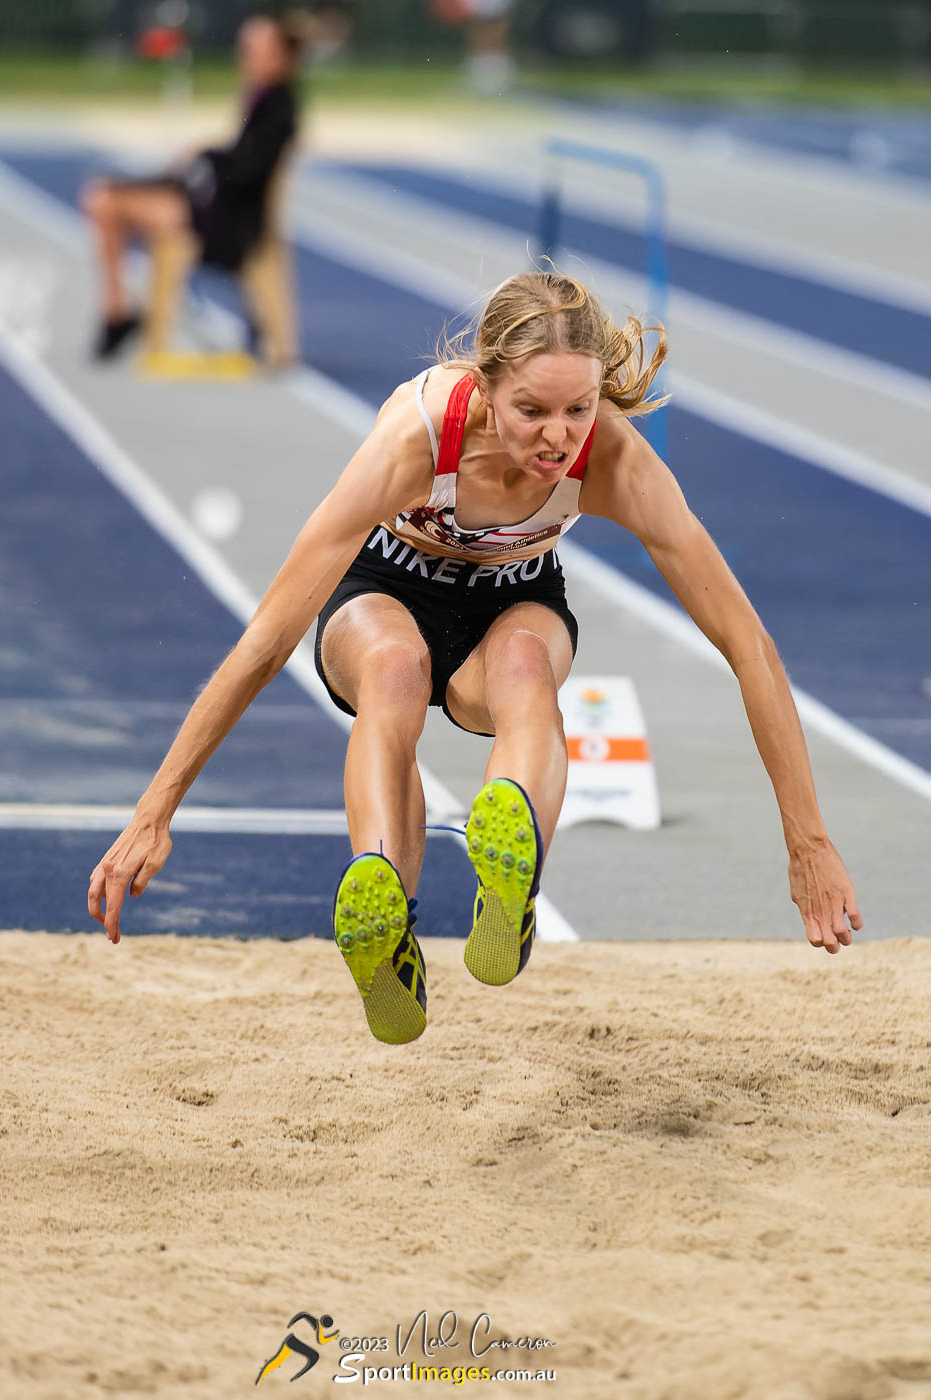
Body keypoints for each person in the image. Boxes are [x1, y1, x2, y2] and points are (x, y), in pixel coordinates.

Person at [87, 270, 863, 1045]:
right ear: (485, 389)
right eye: (533, 411)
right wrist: (155, 812)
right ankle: (382, 915)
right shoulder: (415, 439)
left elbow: (749, 647)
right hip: (384, 589)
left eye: (579, 409)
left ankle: (508, 885)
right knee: (394, 671)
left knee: (524, 663)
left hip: (514, 599)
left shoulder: (615, 461)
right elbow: (266, 642)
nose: (558, 438)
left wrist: (809, 842)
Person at [79, 13, 302, 359]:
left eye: (256, 51)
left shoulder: (280, 105)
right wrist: (192, 166)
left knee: (104, 201)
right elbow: (233, 162)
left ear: (283, 57)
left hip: (228, 222)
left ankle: (118, 312)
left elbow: (245, 170)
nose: (246, 58)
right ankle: (117, 308)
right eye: (244, 49)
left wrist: (203, 156)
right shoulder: (261, 97)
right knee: (104, 197)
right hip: (215, 205)